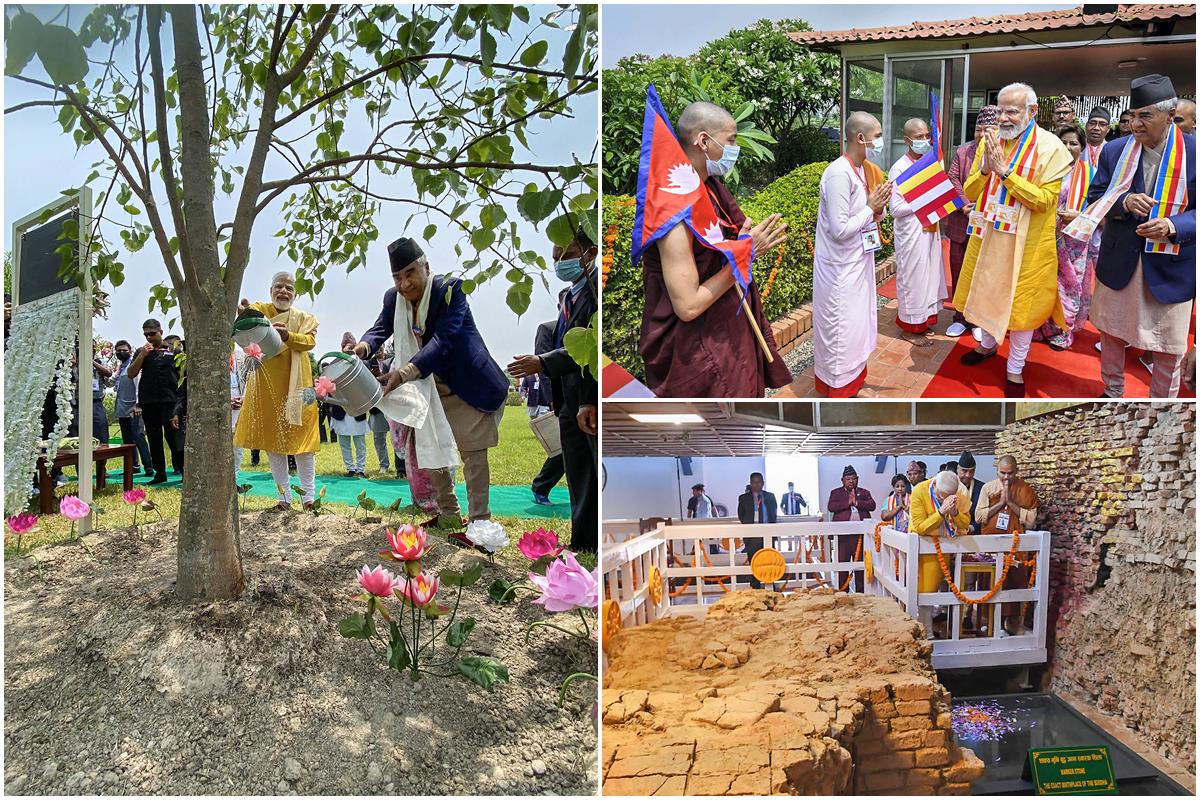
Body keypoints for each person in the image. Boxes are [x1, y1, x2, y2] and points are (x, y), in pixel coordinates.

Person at [358, 238, 509, 539]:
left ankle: (480, 522)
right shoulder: (393, 299)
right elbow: (379, 329)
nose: (404, 284)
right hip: (428, 392)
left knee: (473, 454)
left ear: (426, 267)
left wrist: (404, 373)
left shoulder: (451, 290)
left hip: (468, 385)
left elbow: (444, 340)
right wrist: (364, 346)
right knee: (432, 451)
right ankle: (450, 516)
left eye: (410, 273)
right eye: (398, 277)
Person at [639, 101, 790, 397]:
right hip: (699, 347)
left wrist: (741, 244)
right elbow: (688, 305)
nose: (735, 148)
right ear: (704, 141)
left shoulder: (709, 187)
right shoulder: (673, 209)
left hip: (727, 327)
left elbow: (725, 245)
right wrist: (746, 253)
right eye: (731, 140)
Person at [954, 82, 1074, 397]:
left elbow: (1045, 201)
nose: (1004, 118)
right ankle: (987, 347)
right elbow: (969, 192)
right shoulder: (991, 142)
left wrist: (1006, 173)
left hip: (1028, 246)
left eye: (1012, 111)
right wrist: (983, 170)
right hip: (990, 238)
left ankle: (1015, 370)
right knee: (985, 295)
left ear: (1032, 111)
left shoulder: (1051, 148)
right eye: (1001, 110)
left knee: (1022, 309)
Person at [1086, 75, 1195, 398]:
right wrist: (1124, 202)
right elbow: (1095, 197)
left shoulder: (1195, 152)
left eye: (1144, 115)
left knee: (1167, 344)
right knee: (1111, 334)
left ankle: (1163, 402)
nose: (1135, 123)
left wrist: (1175, 227)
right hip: (1121, 257)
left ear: (1171, 114)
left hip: (1171, 263)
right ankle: (1112, 390)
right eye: (1132, 115)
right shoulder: (1115, 151)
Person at [507, 228, 600, 553]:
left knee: (591, 472)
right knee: (577, 475)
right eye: (555, 257)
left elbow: (589, 348)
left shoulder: (594, 290)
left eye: (567, 254)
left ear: (590, 253)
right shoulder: (567, 296)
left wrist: (543, 362)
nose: (559, 262)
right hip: (567, 402)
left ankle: (593, 541)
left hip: (588, 403)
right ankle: (583, 542)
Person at [814, 111, 894, 396]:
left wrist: (878, 208)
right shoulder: (838, 173)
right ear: (860, 138)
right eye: (877, 136)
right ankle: (837, 389)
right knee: (841, 330)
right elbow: (839, 229)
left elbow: (868, 216)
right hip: (839, 268)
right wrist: (870, 208)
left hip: (859, 260)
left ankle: (854, 382)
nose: (881, 141)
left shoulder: (865, 170)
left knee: (857, 327)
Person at [233, 272, 321, 509]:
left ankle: (309, 498)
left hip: (300, 385)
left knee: (305, 442)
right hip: (267, 384)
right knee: (274, 443)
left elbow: (309, 342)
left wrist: (287, 335)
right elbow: (248, 322)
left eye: (289, 288)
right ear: (271, 290)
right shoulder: (261, 309)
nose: (283, 291)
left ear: (295, 294)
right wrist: (247, 316)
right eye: (278, 287)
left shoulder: (305, 318)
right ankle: (283, 498)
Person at [1033, 123, 1099, 351]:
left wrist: (1079, 215)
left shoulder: (1091, 174)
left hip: (1075, 242)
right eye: (1063, 142)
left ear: (1082, 147)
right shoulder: (1046, 170)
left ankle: (1063, 330)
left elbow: (1099, 208)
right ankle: (1040, 325)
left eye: (1074, 143)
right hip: (1046, 236)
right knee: (1044, 282)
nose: (1068, 147)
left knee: (1069, 285)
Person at [889, 117, 947, 345]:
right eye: (918, 137)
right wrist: (923, 200)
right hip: (911, 233)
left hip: (930, 230)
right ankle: (910, 327)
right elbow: (895, 209)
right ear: (906, 140)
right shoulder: (900, 168)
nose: (924, 140)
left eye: (926, 136)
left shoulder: (928, 163)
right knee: (912, 278)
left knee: (930, 275)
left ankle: (923, 320)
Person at [946, 105, 1001, 339]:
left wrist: (981, 209)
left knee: (982, 274)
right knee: (958, 270)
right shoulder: (962, 152)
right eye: (979, 129)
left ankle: (977, 320)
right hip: (962, 222)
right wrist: (966, 205)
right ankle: (959, 317)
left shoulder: (1003, 154)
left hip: (988, 226)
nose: (981, 134)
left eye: (988, 130)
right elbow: (952, 179)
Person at [975, 455, 1040, 635]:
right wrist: (1001, 503)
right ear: (997, 471)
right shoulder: (989, 488)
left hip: (1015, 548)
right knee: (989, 583)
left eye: (1010, 474)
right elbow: (979, 517)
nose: (1006, 478)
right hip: (991, 548)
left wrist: (1011, 503)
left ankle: (1010, 622)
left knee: (1013, 583)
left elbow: (1032, 521)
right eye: (1002, 473)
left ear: (1016, 472)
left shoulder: (1025, 490)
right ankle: (990, 622)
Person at [908, 470, 972, 636]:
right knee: (924, 590)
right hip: (923, 546)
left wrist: (955, 512)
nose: (946, 499)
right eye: (942, 495)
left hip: (947, 546)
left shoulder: (959, 493)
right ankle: (925, 632)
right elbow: (921, 527)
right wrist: (941, 512)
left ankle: (940, 631)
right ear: (934, 484)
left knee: (939, 589)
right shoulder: (919, 491)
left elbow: (965, 523)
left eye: (949, 495)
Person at [125, 318, 183, 484]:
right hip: (149, 402)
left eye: (152, 334)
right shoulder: (142, 351)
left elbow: (182, 375)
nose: (149, 337)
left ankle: (183, 469)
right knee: (154, 437)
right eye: (146, 335)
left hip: (170, 401)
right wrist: (142, 355)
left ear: (161, 332)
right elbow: (131, 373)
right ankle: (160, 473)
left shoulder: (175, 350)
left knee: (174, 437)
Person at [528, 319, 563, 507]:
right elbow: (542, 367)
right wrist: (551, 399)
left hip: (582, 393)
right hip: (560, 397)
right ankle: (541, 486)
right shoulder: (547, 328)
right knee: (563, 447)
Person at [826, 465, 875, 592]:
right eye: (848, 479)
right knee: (842, 565)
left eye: (853, 478)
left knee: (861, 566)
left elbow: (872, 505)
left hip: (861, 536)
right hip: (843, 537)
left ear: (857, 479)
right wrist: (848, 503)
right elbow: (832, 506)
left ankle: (861, 593)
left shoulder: (864, 492)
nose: (851, 481)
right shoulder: (836, 493)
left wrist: (857, 503)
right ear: (842, 480)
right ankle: (843, 592)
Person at [112, 340, 154, 476]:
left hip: (133, 409)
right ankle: (133, 466)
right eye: (118, 351)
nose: (121, 353)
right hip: (122, 409)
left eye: (124, 350)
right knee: (128, 441)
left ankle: (148, 467)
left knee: (139, 437)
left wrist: (137, 405)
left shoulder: (134, 366)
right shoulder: (121, 367)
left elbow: (138, 387)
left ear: (130, 351)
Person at [737, 472, 777, 589]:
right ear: (750, 483)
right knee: (754, 562)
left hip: (767, 533)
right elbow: (741, 515)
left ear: (763, 483)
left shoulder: (770, 496)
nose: (757, 484)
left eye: (759, 482)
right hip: (752, 534)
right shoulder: (743, 498)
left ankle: (770, 586)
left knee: (769, 561)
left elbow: (773, 513)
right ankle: (755, 588)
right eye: (754, 482)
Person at [956, 450, 986, 535]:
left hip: (974, 532)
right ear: (958, 469)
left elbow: (984, 514)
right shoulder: (949, 485)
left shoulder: (982, 488)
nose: (968, 475)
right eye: (964, 471)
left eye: (971, 471)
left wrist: (971, 528)